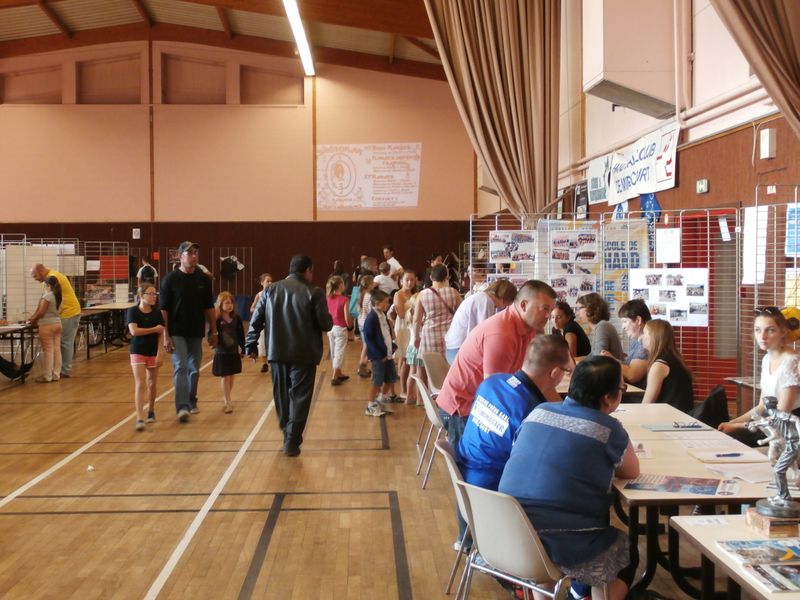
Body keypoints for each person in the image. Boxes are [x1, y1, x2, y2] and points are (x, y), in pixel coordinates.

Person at [498, 356, 640, 600]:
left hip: (508, 533)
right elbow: (631, 470)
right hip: (561, 540)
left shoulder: (539, 411)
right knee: (626, 555)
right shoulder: (608, 428)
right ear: (609, 397)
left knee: (544, 523)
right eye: (621, 388)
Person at [452, 334, 573, 551]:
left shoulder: (491, 382)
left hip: (465, 479)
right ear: (555, 373)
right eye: (567, 371)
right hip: (496, 497)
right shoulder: (532, 411)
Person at [436, 280, 557, 446]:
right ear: (523, 305)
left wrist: (564, 414)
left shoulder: (527, 328)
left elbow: (532, 377)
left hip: (478, 404)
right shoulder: (502, 334)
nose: (548, 316)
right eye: (544, 309)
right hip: (462, 409)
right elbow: (494, 393)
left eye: (551, 310)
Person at [246, 254, 333, 457]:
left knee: (282, 396)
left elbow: (255, 319)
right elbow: (325, 324)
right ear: (308, 270)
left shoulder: (270, 290)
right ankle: (292, 440)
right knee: (300, 397)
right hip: (304, 353)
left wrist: (251, 343)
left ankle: (287, 433)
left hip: (277, 352)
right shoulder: (315, 292)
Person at [719, 307, 800, 444]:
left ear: (783, 332)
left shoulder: (792, 362)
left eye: (770, 330)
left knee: (732, 441)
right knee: (724, 435)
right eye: (758, 330)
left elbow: (782, 415)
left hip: (788, 431)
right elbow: (762, 406)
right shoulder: (766, 359)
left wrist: (739, 426)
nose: (762, 336)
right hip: (769, 424)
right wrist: (732, 422)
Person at [160, 241, 217, 422]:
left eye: (195, 253)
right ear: (180, 256)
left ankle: (192, 399)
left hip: (196, 332)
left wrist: (214, 331)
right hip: (177, 332)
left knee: (194, 370)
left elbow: (209, 307)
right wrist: (166, 335)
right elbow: (164, 310)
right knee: (181, 367)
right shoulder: (170, 280)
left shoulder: (203, 279)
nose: (194, 256)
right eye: (190, 253)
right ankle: (182, 407)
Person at [444, 279, 517, 364]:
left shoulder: (482, 297)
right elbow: (484, 335)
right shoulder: (486, 301)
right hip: (458, 350)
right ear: (506, 299)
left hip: (453, 348)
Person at [30, 263, 80, 378]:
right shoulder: (49, 280)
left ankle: (64, 371)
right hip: (61, 316)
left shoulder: (52, 278)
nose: (35, 279)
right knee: (59, 346)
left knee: (65, 343)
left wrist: (34, 318)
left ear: (41, 270)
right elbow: (42, 302)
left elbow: (43, 306)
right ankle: (58, 372)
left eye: (35, 275)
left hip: (69, 313)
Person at [413, 264, 461, 382]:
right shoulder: (454, 292)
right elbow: (461, 315)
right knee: (448, 366)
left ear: (431, 277)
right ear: (447, 277)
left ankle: (426, 392)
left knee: (426, 366)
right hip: (449, 336)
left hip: (429, 336)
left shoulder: (422, 294)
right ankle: (445, 390)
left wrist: (416, 337)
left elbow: (416, 320)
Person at [127, 283, 165, 429]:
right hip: (137, 350)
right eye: (151, 293)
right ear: (142, 296)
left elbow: (161, 333)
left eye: (155, 293)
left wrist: (160, 352)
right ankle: (139, 417)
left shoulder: (157, 313)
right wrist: (154, 329)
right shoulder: (133, 311)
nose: (154, 296)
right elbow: (134, 331)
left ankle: (151, 410)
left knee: (152, 383)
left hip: (153, 351)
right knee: (140, 383)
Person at [640, 319, 694, 412]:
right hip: (681, 415)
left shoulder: (659, 366)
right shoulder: (674, 359)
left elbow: (646, 404)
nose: (641, 337)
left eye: (644, 333)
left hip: (669, 418)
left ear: (654, 337)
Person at [363, 290, 400, 416]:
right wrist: (379, 355)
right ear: (377, 303)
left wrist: (391, 347)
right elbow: (368, 339)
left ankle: (379, 400)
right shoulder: (371, 318)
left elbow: (386, 334)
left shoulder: (382, 315)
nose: (388, 304)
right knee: (377, 381)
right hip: (379, 356)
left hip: (387, 354)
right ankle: (370, 405)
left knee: (391, 377)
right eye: (386, 302)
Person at [604, 299, 651, 389]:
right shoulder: (636, 341)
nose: (623, 327)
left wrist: (611, 360)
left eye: (625, 321)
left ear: (638, 320)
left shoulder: (645, 344)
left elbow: (632, 376)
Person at [213, 291, 245, 414]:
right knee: (225, 376)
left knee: (231, 377)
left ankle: (227, 397)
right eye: (226, 303)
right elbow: (212, 333)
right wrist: (212, 339)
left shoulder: (236, 318)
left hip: (233, 351)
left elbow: (241, 334)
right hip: (222, 352)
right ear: (220, 305)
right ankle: (227, 401)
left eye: (231, 303)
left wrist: (243, 348)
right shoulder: (217, 319)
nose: (230, 305)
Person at [28, 275, 63, 383]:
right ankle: (56, 374)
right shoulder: (58, 296)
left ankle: (47, 376)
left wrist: (32, 319)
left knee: (48, 350)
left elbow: (41, 312)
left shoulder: (48, 296)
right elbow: (60, 310)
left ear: (48, 285)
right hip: (57, 324)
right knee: (56, 349)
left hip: (47, 325)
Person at [575, 292, 623, 360]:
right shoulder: (600, 326)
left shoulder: (602, 326)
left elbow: (598, 360)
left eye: (579, 309)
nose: (577, 313)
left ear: (590, 308)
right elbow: (591, 357)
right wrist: (573, 360)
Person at [392, 270, 417, 399]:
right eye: (407, 280)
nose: (409, 282)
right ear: (401, 281)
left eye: (412, 280)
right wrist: (414, 309)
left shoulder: (414, 294)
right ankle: (403, 389)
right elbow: (401, 314)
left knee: (409, 358)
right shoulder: (398, 294)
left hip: (411, 327)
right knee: (405, 358)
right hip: (403, 327)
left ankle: (408, 389)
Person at [326, 275, 352, 386]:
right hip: (340, 328)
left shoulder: (327, 298)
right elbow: (347, 317)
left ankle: (339, 373)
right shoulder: (344, 299)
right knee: (339, 352)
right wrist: (350, 326)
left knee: (333, 352)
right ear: (340, 285)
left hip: (330, 328)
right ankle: (334, 376)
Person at [249, 273, 273, 374]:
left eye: (271, 281)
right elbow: (252, 308)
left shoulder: (274, 294)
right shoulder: (259, 295)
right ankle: (264, 364)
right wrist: (259, 311)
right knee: (262, 343)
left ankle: (272, 364)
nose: (270, 283)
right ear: (262, 282)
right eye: (267, 281)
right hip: (262, 324)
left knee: (272, 343)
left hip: (272, 323)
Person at [356, 274, 377, 378]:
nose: (375, 284)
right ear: (369, 285)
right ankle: (362, 367)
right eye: (373, 283)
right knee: (367, 347)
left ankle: (363, 367)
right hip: (366, 324)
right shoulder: (369, 296)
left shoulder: (362, 294)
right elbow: (370, 311)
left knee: (366, 345)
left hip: (361, 322)